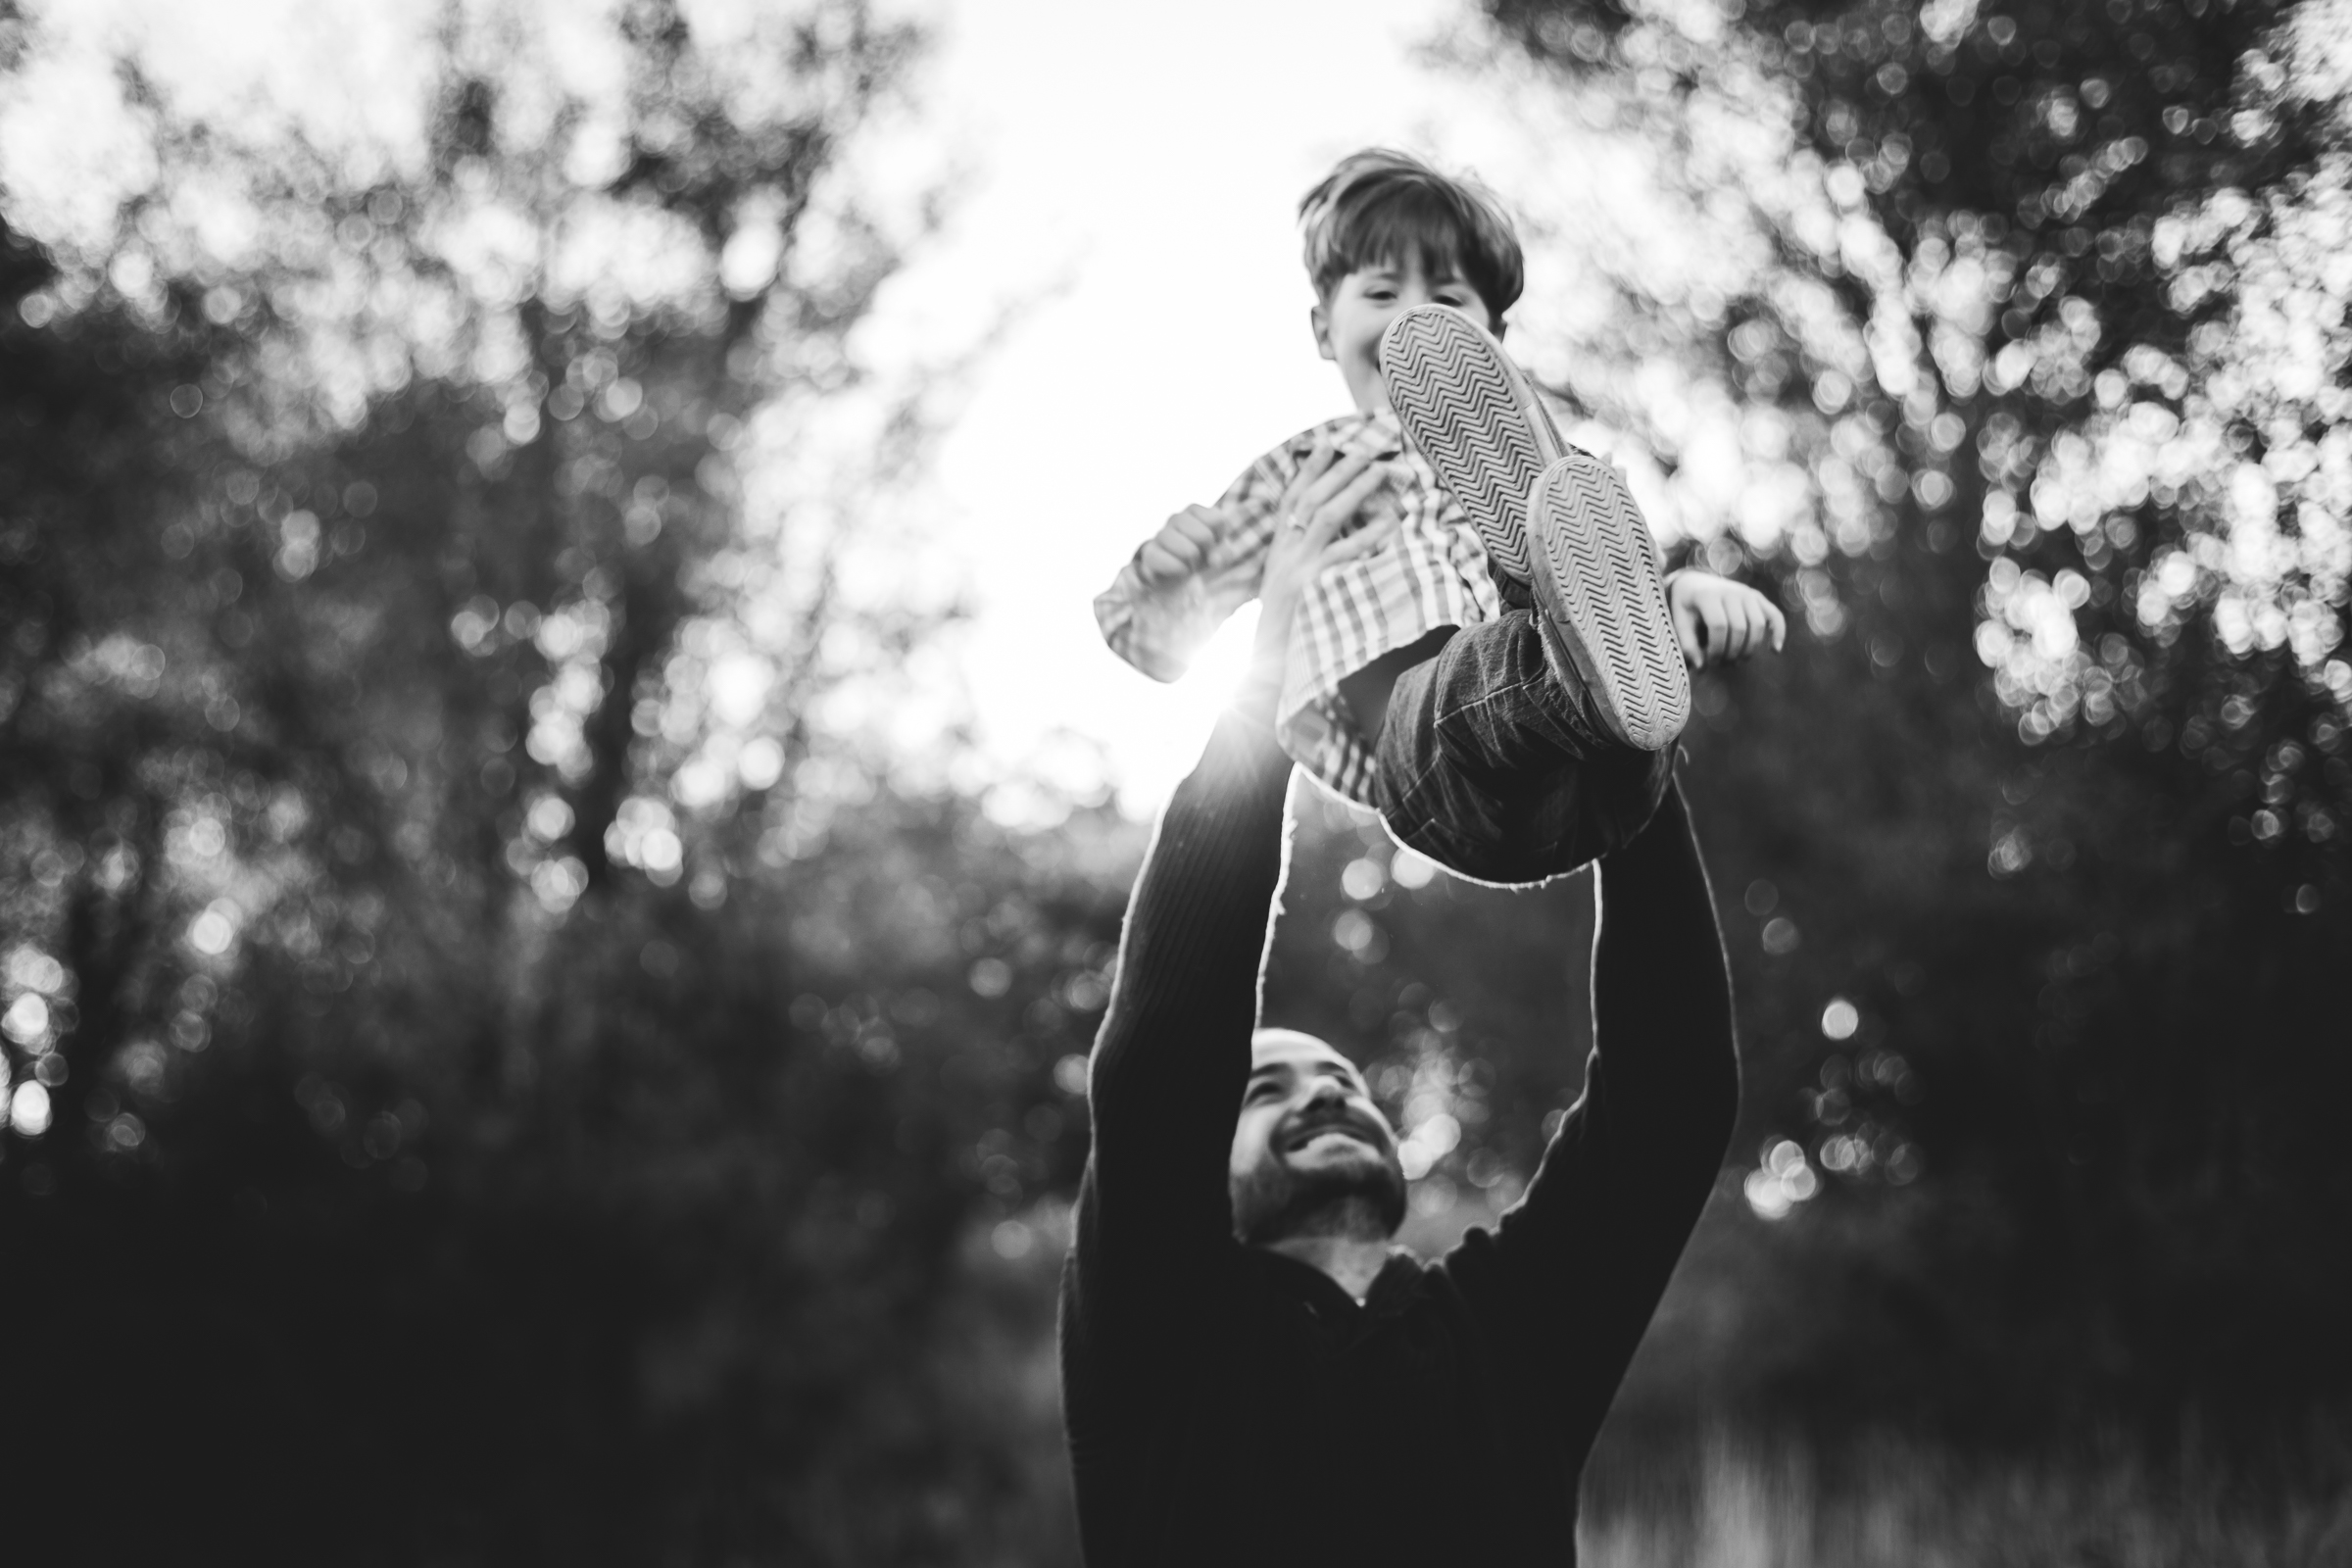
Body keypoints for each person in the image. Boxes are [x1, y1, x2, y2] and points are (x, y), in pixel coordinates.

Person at [1058, 466, 1743, 1564]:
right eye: (1264, 1087)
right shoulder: (1159, 1343)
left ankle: (1554, 676)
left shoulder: (1507, 1336)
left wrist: (1635, 753)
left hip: (1582, 727)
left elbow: (1671, 1096)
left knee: (1550, 714)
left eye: (1336, 1081)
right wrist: (1269, 677)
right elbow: (1163, 1050)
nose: (1323, 1087)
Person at [1094, 148, 1784, 885]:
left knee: (1569, 550)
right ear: (1324, 330)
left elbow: (1618, 584)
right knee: (1466, 683)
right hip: (1437, 770)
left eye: (1447, 302)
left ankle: (1568, 656)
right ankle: (1554, 665)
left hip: (1594, 781)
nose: (1414, 320)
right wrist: (1162, 580)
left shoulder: (1551, 465)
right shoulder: (1310, 474)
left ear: (1496, 336)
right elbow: (1150, 643)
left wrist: (1682, 600)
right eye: (1384, 292)